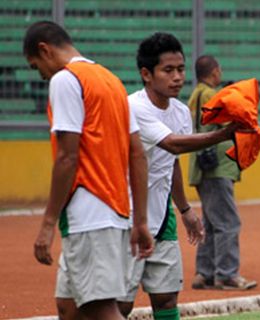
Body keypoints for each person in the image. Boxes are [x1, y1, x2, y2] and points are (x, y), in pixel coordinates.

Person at [24, 21, 154, 320]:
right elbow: (138, 155)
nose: (41, 75)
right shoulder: (111, 80)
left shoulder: (65, 80)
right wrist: (140, 221)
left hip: (90, 213)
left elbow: (68, 158)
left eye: (36, 66)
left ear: (45, 50)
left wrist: (47, 224)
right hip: (112, 211)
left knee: (100, 309)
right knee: (68, 309)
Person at [116, 33, 241, 319]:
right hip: (127, 216)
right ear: (146, 74)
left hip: (163, 217)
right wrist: (223, 134)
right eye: (168, 70)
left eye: (181, 69)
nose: (177, 77)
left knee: (167, 298)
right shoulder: (133, 107)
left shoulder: (181, 111)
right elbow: (171, 143)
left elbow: (171, 161)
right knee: (121, 303)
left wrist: (184, 209)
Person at [188, 55, 257, 291]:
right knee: (228, 222)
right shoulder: (212, 96)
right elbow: (227, 124)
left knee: (211, 220)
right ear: (214, 72)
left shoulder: (194, 95)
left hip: (200, 165)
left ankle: (204, 273)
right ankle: (226, 274)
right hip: (217, 165)